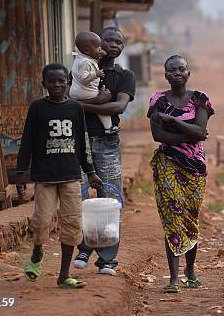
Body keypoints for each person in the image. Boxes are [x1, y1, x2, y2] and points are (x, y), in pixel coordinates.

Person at [17, 63, 102, 288]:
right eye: (52, 81)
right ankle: (37, 252)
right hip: (44, 177)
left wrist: (91, 172)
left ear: (68, 83)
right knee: (42, 222)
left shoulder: (75, 108)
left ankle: (64, 275)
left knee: (72, 224)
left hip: (71, 176)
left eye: (61, 80)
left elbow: (83, 143)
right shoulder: (37, 108)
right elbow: (27, 141)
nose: (56, 84)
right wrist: (20, 171)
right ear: (44, 84)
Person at [148, 55, 214, 293]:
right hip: (167, 163)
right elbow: (159, 137)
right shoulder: (157, 100)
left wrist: (170, 120)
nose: (177, 73)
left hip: (194, 167)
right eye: (172, 70)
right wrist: (190, 133)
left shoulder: (200, 99)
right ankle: (173, 278)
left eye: (181, 69)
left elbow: (201, 130)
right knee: (172, 218)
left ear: (188, 74)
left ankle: (191, 271)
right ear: (166, 75)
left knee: (189, 218)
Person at [73, 27, 135, 276]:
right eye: (108, 40)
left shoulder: (124, 75)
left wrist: (82, 106)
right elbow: (65, 100)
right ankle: (84, 247)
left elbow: (119, 107)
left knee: (110, 198)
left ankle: (108, 258)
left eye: (119, 42)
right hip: (78, 142)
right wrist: (98, 103)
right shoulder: (80, 68)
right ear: (96, 44)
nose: (113, 45)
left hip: (107, 142)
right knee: (77, 197)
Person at [69, 31, 118, 134]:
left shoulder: (82, 57)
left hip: (77, 90)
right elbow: (83, 78)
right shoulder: (85, 62)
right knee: (103, 102)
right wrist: (96, 74)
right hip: (84, 91)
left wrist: (99, 52)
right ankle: (108, 127)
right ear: (87, 50)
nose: (100, 49)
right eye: (97, 46)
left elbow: (98, 55)